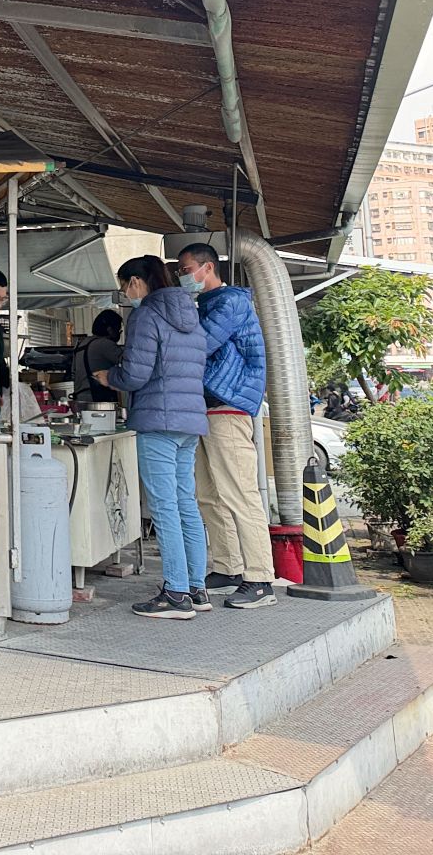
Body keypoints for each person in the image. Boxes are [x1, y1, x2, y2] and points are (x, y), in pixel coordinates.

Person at [95, 255, 211, 620]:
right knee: (186, 504)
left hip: (158, 420)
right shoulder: (190, 315)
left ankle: (175, 593)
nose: (125, 294)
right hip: (189, 421)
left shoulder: (146, 315)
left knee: (164, 508)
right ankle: (196, 588)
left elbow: (136, 373)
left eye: (124, 286)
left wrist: (110, 377)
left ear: (135, 282)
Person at [177, 242, 276, 609]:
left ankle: (260, 578)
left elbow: (200, 344)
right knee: (208, 493)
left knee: (239, 494)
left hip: (228, 405)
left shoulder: (229, 301)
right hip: (206, 407)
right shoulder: (206, 303)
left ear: (207, 267)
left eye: (186, 269)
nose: (183, 276)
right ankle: (228, 567)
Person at [72, 310, 124, 408]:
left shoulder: (82, 344)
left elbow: (73, 372)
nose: (119, 333)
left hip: (80, 398)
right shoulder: (105, 344)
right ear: (110, 329)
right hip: (97, 400)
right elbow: (129, 362)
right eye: (118, 330)